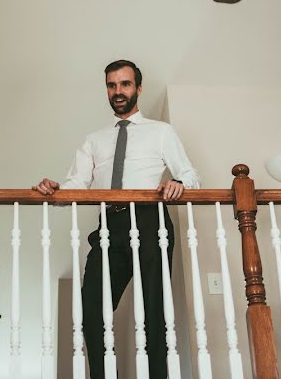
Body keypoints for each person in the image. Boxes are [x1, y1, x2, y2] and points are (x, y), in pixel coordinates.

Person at [33, 59, 200, 379]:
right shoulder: (94, 140)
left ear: (138, 88)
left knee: (155, 310)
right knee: (90, 311)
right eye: (112, 85)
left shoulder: (161, 132)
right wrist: (52, 190)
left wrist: (178, 183)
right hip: (110, 226)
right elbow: (75, 187)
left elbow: (190, 174)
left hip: (152, 222)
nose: (118, 91)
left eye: (125, 84)